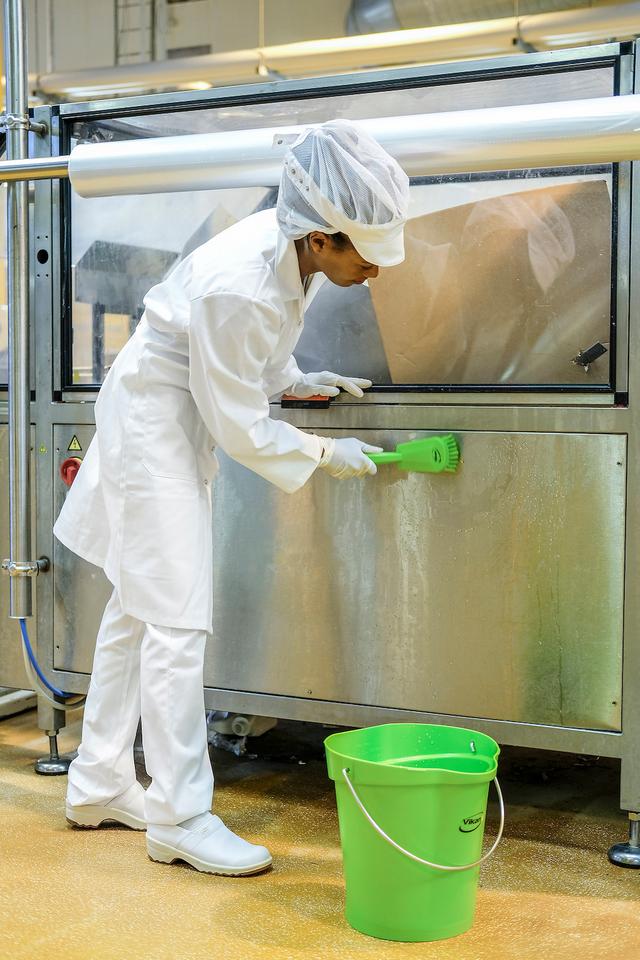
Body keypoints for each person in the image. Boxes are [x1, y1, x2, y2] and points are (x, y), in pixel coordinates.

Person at [54, 119, 410, 876]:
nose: (376, 269)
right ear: (319, 237)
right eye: (365, 252)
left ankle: (97, 780)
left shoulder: (289, 258)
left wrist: (297, 378)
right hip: (156, 423)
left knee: (136, 606)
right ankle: (180, 816)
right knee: (176, 621)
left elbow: (248, 361)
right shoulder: (242, 281)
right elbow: (238, 424)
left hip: (174, 412)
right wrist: (324, 453)